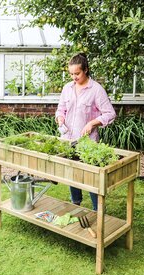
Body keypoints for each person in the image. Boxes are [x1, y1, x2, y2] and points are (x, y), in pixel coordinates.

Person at [55, 53, 116, 211]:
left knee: (91, 177)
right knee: (73, 173)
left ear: (86, 70)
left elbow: (110, 113)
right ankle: (76, 204)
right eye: (71, 74)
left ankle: (98, 210)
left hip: (87, 142)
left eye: (77, 73)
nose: (74, 77)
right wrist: (60, 118)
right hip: (68, 139)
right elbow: (61, 109)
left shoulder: (96, 90)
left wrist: (93, 123)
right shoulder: (67, 88)